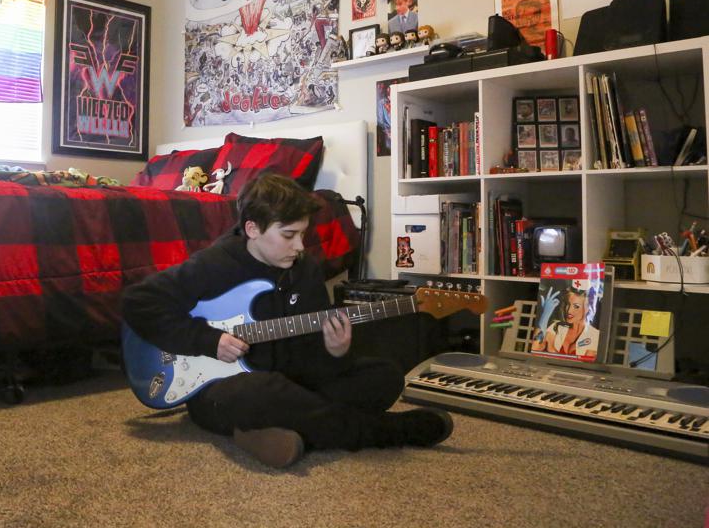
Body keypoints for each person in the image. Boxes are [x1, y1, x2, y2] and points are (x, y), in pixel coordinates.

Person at [121, 173, 453, 468]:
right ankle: (387, 431)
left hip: (288, 377)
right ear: (252, 229)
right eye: (288, 235)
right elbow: (138, 303)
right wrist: (209, 340)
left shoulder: (304, 268)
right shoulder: (215, 264)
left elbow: (309, 354)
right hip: (220, 389)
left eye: (303, 235)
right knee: (261, 393)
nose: (299, 246)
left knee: (384, 377)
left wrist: (335, 350)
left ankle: (271, 432)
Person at [531, 282, 599, 360]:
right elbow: (535, 349)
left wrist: (552, 348)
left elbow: (584, 366)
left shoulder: (595, 336)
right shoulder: (556, 327)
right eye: (568, 304)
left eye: (576, 306)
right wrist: (544, 317)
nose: (569, 310)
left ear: (588, 308)